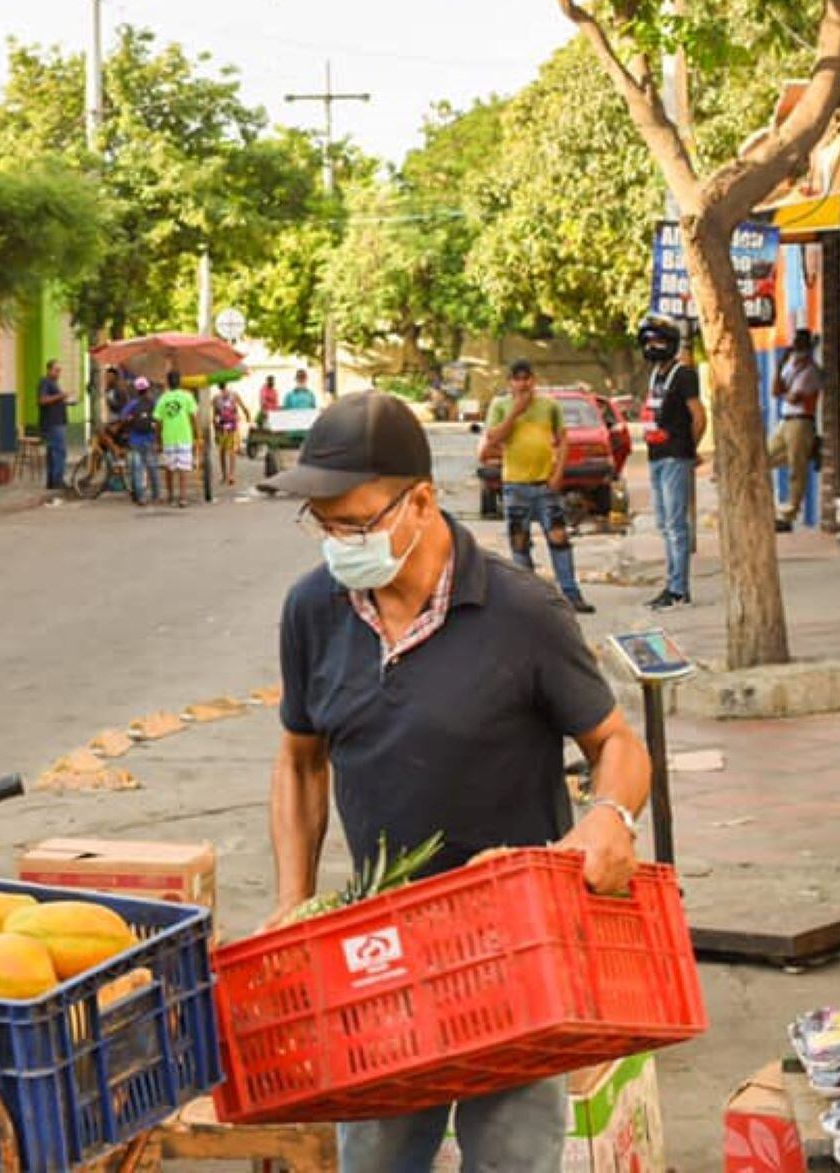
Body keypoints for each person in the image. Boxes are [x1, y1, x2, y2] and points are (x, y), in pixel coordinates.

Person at [260, 391, 650, 1173]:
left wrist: (608, 816)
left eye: (354, 521)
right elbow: (301, 759)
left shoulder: (521, 611)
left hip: (514, 946)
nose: (337, 542)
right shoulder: (312, 610)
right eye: (322, 523)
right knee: (374, 1153)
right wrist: (291, 901)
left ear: (423, 501)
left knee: (510, 1154)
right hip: (379, 950)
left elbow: (617, 744)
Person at [483, 359, 593, 614]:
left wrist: (558, 473)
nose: (523, 383)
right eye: (517, 378)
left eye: (527, 378)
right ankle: (529, 600)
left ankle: (571, 594)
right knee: (519, 542)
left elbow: (563, 440)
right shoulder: (500, 406)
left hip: (545, 485)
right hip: (515, 486)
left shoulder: (549, 406)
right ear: (510, 382)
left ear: (534, 380)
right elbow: (493, 439)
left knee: (558, 538)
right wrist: (515, 412)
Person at [639, 317, 704, 610]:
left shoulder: (684, 374)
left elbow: (699, 415)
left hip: (675, 455)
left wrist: (690, 448)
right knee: (665, 524)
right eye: (648, 341)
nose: (652, 347)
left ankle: (678, 590)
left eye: (658, 342)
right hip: (656, 454)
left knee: (677, 526)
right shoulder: (655, 374)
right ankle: (671, 583)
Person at [769, 328, 823, 532]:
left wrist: (786, 386)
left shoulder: (810, 371)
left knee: (796, 469)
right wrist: (781, 364)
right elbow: (776, 391)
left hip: (801, 421)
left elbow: (794, 397)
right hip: (786, 420)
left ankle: (789, 513)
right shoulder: (790, 366)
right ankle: (770, 508)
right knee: (765, 457)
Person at [154, 370, 201, 508]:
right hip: (185, 436)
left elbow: (158, 421)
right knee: (183, 468)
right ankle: (182, 497)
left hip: (168, 437)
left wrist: (158, 440)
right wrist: (198, 435)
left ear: (168, 383)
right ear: (180, 382)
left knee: (169, 468)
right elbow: (193, 417)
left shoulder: (163, 399)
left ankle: (170, 496)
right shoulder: (187, 397)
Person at [119, 376, 162, 506]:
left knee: (138, 469)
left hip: (135, 439)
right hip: (149, 438)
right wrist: (158, 439)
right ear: (148, 389)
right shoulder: (153, 402)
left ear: (136, 390)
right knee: (153, 468)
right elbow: (158, 419)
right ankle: (156, 495)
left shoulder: (132, 404)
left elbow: (123, 417)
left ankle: (141, 497)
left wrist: (130, 420)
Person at [37, 359, 73, 491]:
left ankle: (52, 481)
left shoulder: (53, 383)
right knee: (59, 451)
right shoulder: (45, 382)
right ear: (49, 370)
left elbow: (53, 400)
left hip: (58, 421)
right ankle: (57, 480)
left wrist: (65, 401)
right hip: (53, 423)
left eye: (59, 370)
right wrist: (60, 396)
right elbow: (42, 400)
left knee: (53, 452)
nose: (58, 373)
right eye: (56, 370)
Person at [213, 383, 253, 488]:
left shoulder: (234, 396)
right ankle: (225, 475)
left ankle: (230, 475)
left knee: (230, 451)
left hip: (231, 426)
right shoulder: (216, 398)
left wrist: (248, 417)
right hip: (221, 427)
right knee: (222, 451)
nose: (224, 390)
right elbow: (214, 414)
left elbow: (243, 407)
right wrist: (215, 427)